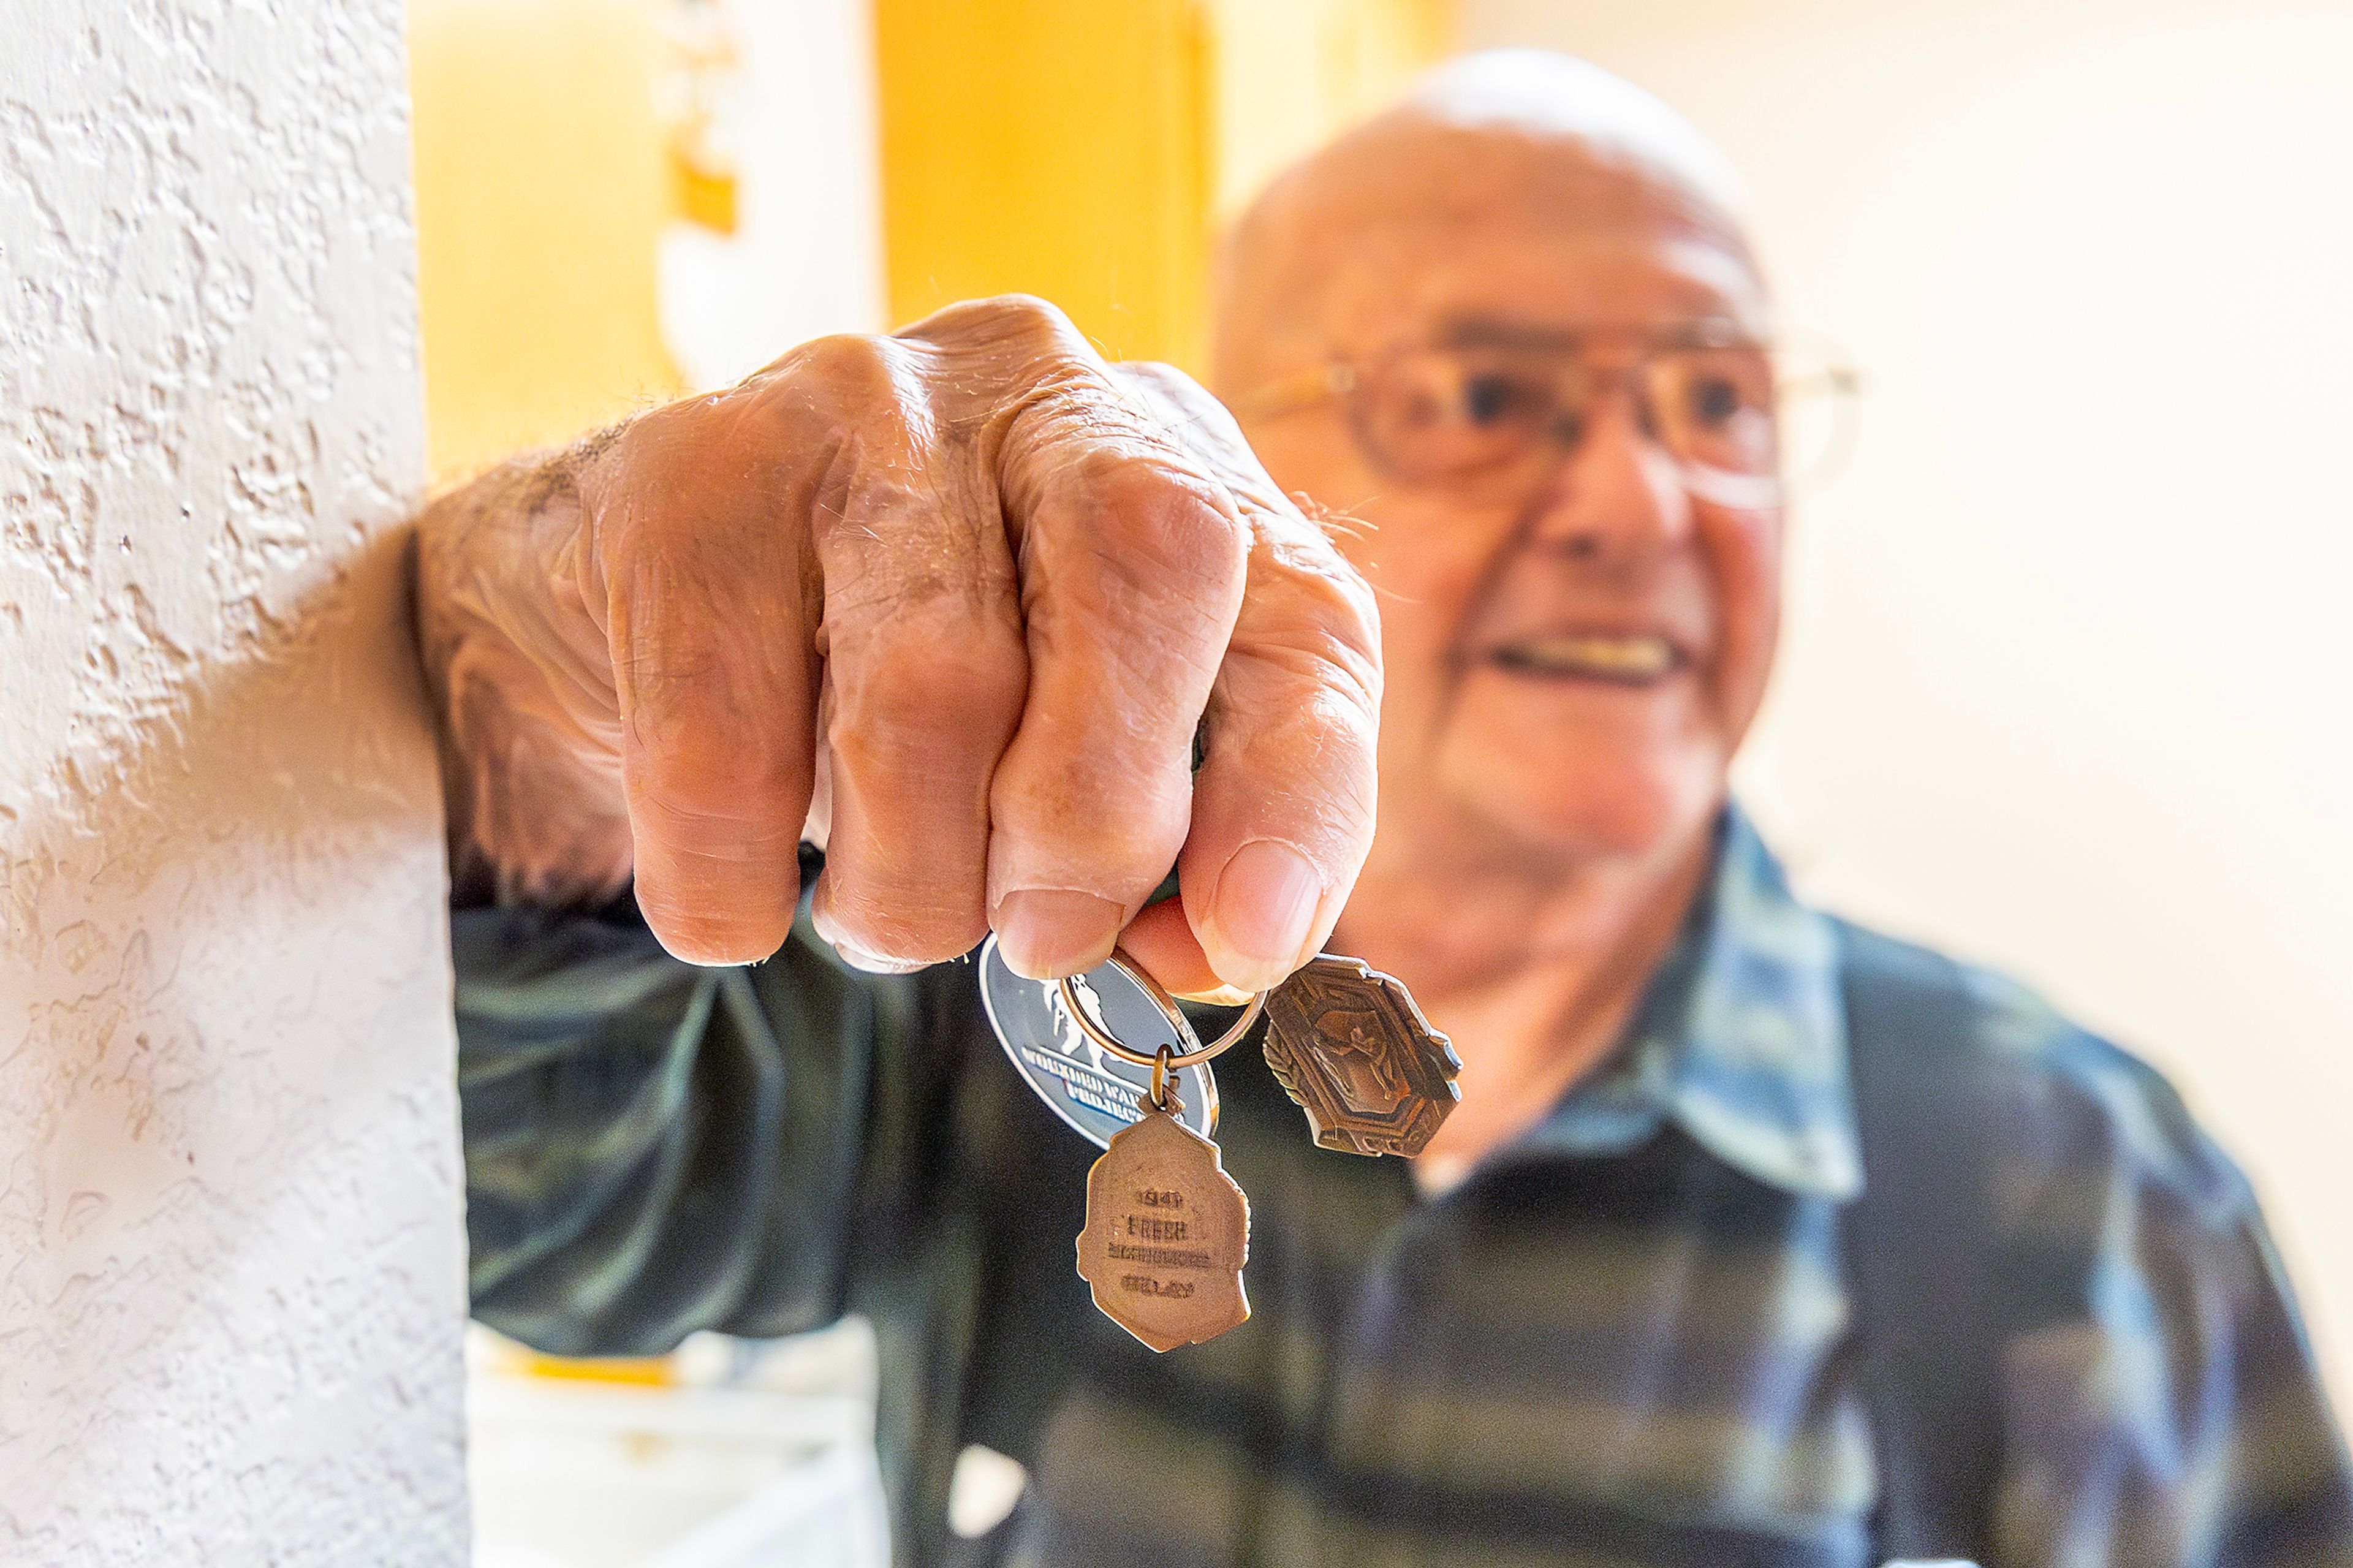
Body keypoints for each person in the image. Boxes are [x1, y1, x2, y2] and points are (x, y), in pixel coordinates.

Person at [419, 50, 2353, 1568]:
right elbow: (539, 1224)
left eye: (1719, 403)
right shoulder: (990, 1008)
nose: (1640, 505)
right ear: (1236, 469)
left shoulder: (2084, 1198)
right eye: (1488, 399)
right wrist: (554, 684)